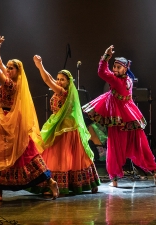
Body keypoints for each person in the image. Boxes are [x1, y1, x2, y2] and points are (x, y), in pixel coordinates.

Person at [0, 32, 59, 201]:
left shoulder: (10, 84)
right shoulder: (9, 78)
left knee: (27, 153)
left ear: (17, 71)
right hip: (2, 121)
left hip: (11, 121)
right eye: (8, 67)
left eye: (11, 68)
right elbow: (0, 63)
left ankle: (51, 181)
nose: (7, 69)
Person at [82, 45, 156, 187]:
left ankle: (114, 180)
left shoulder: (116, 81)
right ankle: (154, 172)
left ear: (125, 68)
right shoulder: (129, 81)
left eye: (118, 67)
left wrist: (105, 57)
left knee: (115, 148)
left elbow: (101, 72)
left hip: (119, 118)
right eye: (114, 67)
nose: (114, 70)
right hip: (130, 117)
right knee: (140, 145)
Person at [28, 55, 101, 195]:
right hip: (59, 126)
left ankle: (76, 184)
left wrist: (39, 65)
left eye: (63, 79)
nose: (59, 81)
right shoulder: (59, 89)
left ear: (69, 82)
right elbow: (50, 77)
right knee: (62, 156)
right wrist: (42, 67)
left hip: (66, 129)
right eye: (58, 79)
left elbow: (46, 79)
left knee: (63, 157)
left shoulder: (63, 92)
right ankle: (78, 183)